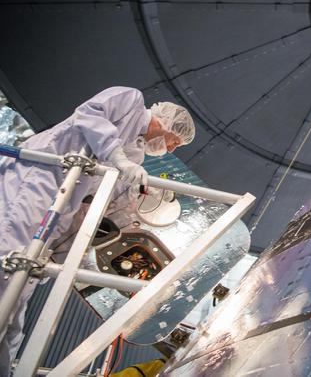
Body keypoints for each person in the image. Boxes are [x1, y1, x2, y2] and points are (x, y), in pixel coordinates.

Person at [0, 86, 195, 371]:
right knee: (9, 267)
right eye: (174, 141)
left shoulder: (135, 155)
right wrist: (118, 159)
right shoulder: (130, 100)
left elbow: (113, 196)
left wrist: (142, 198)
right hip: (39, 179)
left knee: (19, 296)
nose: (172, 149)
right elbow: (89, 114)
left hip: (60, 208)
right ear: (165, 122)